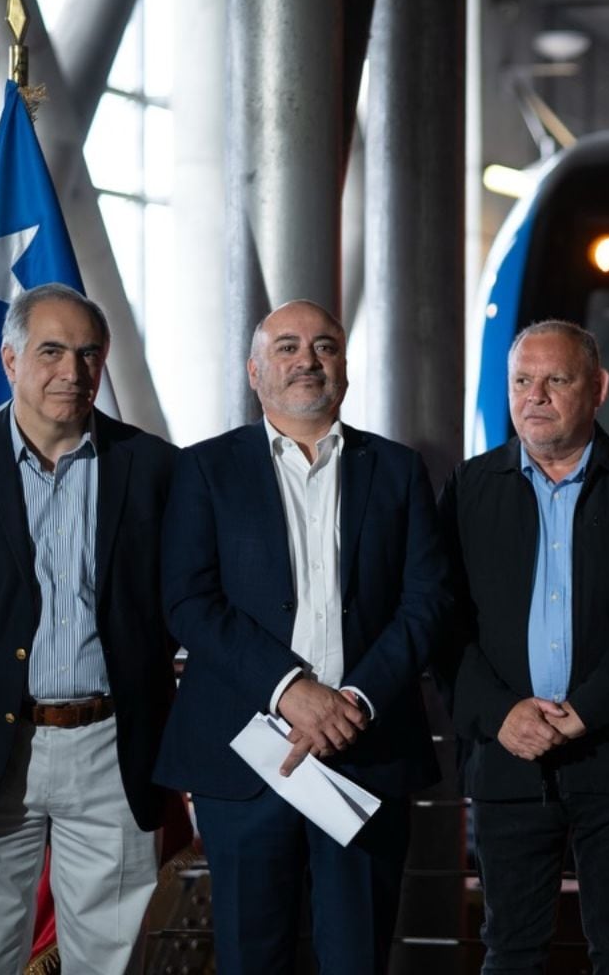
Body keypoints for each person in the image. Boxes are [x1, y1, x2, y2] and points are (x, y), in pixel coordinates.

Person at [0, 284, 177, 975]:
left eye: (87, 355)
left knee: (108, 963)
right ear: (11, 359)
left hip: (113, 746)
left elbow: (170, 602)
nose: (71, 373)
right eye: (51, 352)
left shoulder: (156, 467)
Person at [156, 300, 446, 975]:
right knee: (251, 960)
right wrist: (293, 692)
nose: (307, 360)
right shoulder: (203, 470)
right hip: (246, 758)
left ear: (344, 367)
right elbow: (189, 603)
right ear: (256, 371)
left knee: (358, 958)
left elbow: (428, 602)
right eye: (286, 347)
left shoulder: (399, 469)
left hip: (364, 752)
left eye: (325, 346)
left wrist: (353, 701)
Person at [438, 320, 609, 975]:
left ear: (598, 388)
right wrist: (502, 715)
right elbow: (441, 625)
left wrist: (585, 709)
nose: (537, 396)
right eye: (523, 381)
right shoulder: (468, 490)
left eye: (557, 379)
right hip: (507, 759)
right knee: (510, 951)